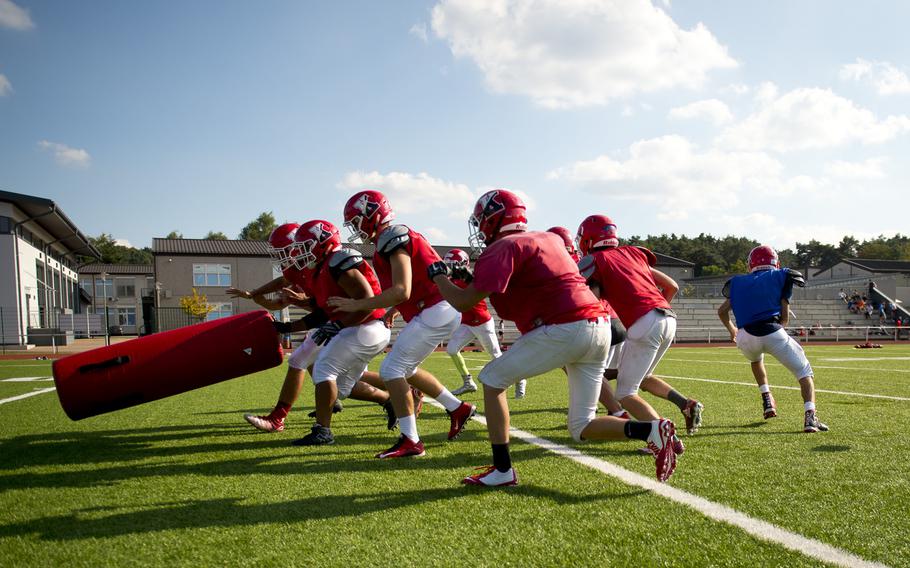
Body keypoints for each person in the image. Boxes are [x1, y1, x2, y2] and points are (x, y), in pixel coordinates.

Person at [431, 189, 680, 486]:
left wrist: (438, 276)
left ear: (491, 219)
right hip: (599, 325)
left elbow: (462, 303)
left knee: (492, 379)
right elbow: (511, 302)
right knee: (581, 426)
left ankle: (502, 469)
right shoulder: (548, 239)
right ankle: (651, 430)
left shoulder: (501, 247)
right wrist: (475, 281)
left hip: (566, 328)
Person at [330, 190, 475, 459]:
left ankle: (411, 440)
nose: (355, 227)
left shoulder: (390, 237)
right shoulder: (393, 237)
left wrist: (356, 304)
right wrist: (395, 309)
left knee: (391, 369)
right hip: (436, 309)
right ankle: (458, 408)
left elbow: (401, 290)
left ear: (372, 214)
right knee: (407, 370)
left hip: (436, 309)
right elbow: (414, 284)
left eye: (357, 220)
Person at [229, 222, 396, 435]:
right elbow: (316, 305)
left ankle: (282, 418)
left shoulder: (327, 264)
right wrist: (260, 299)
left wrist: (306, 311)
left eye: (288, 249)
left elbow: (343, 304)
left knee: (303, 361)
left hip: (357, 323)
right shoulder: (310, 267)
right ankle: (393, 393)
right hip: (345, 322)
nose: (285, 255)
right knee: (342, 380)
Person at [576, 215, 703, 434]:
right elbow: (671, 286)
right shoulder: (633, 253)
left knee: (624, 394)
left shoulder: (596, 262)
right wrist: (654, 311)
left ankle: (663, 435)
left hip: (644, 322)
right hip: (668, 317)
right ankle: (686, 405)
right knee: (643, 379)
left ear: (587, 240)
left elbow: (592, 301)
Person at [717, 245, 829, 433]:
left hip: (745, 337)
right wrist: (779, 327)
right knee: (804, 372)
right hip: (772, 331)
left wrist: (732, 330)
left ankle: (767, 397)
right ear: (775, 262)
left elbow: (722, 311)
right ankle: (810, 418)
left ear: (750, 264)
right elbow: (784, 313)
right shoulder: (782, 275)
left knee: (755, 359)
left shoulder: (737, 282)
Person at [441, 248, 527, 399]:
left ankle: (520, 378)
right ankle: (468, 382)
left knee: (496, 356)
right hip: (466, 323)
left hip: (481, 322)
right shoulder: (453, 279)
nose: (449, 267)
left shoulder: (470, 278)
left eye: (451, 264)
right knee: (452, 349)